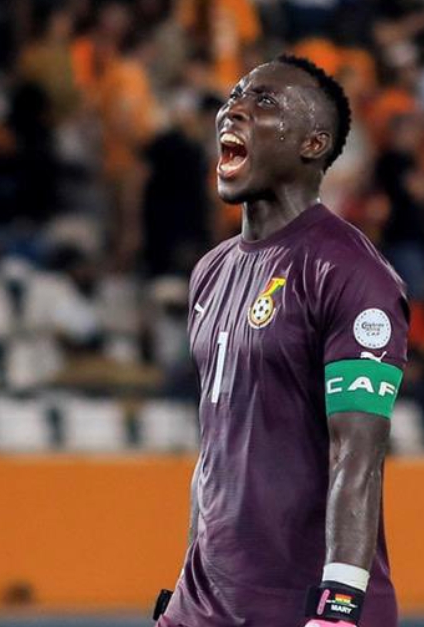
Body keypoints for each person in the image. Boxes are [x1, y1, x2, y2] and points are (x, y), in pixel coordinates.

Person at [156, 56, 408, 627]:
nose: (234, 109)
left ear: (313, 144)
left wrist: (339, 606)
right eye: (234, 96)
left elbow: (357, 455)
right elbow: (213, 454)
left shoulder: (350, 273)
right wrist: (184, 588)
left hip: (299, 608)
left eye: (264, 101)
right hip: (205, 609)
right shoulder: (210, 273)